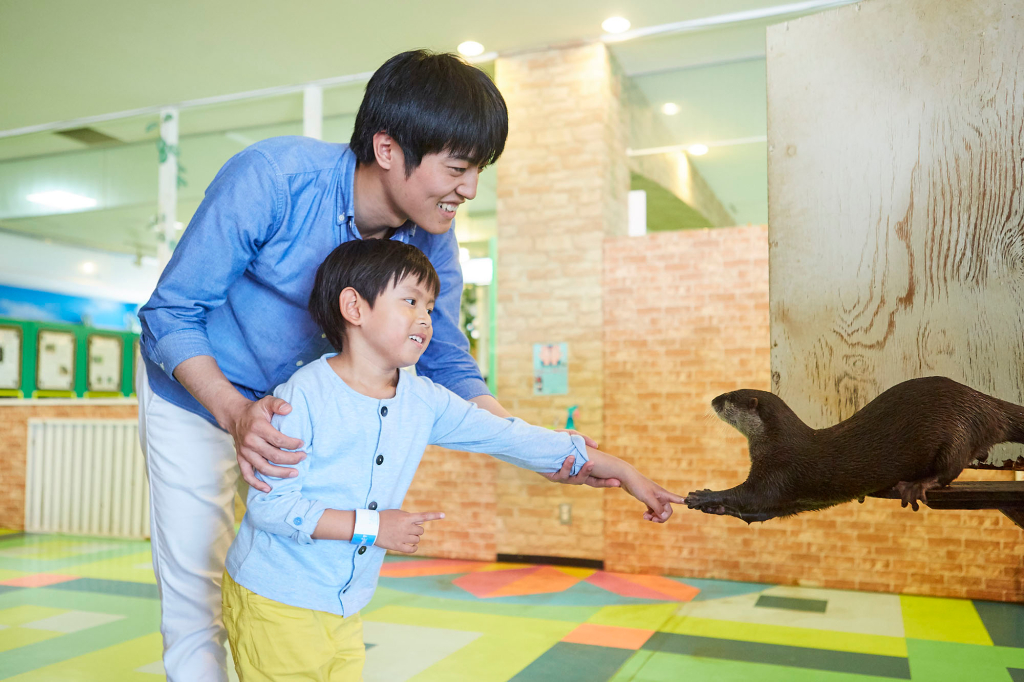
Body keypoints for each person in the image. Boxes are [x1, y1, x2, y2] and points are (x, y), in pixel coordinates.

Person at [136, 50, 615, 682]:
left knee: (287, 577)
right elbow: (169, 312)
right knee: (198, 596)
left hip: (298, 414)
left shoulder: (432, 240)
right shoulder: (272, 178)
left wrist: (521, 441)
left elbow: (445, 355)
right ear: (388, 149)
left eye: (479, 171)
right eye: (458, 168)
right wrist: (233, 411)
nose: (470, 189)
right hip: (199, 395)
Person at [222, 238, 684, 680]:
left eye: (429, 307)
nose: (425, 318)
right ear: (355, 307)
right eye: (409, 301)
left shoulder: (423, 400)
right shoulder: (300, 399)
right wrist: (375, 527)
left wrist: (623, 471)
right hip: (276, 601)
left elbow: (507, 436)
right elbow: (271, 507)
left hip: (346, 603)